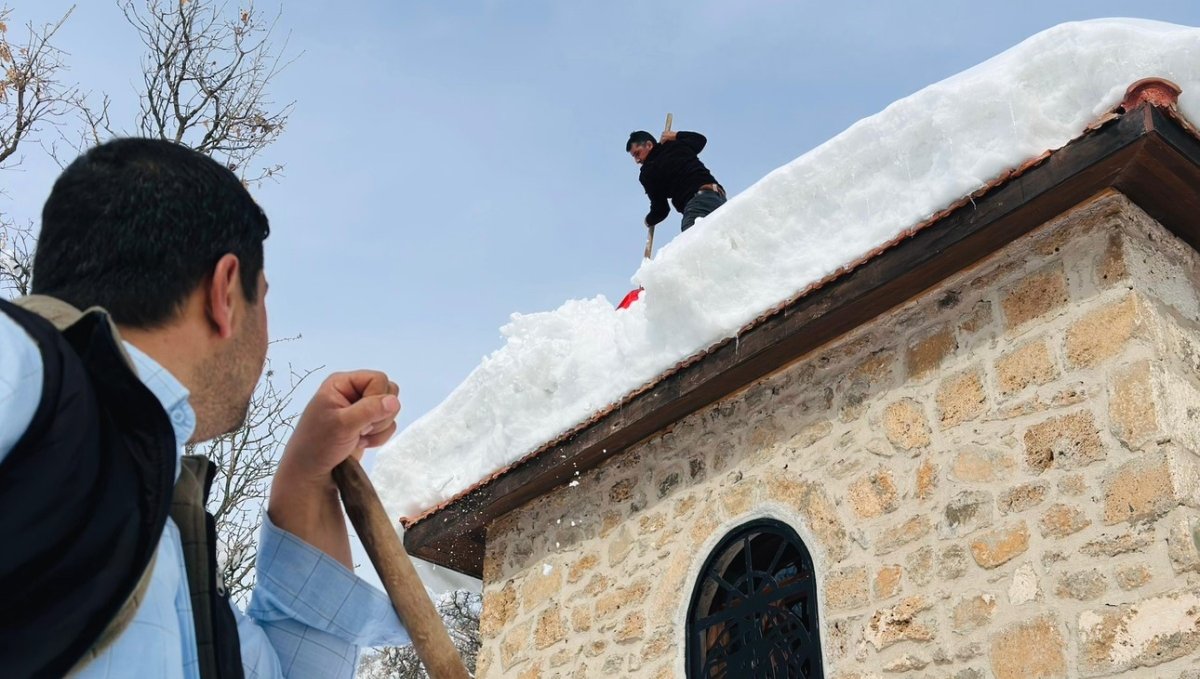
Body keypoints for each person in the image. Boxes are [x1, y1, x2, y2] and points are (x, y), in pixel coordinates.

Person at [0, 138, 410, 678]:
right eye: (261, 296)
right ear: (223, 293)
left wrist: (307, 480)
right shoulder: (27, 373)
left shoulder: (169, 544)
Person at [627, 128, 727, 232]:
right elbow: (700, 140)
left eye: (637, 154)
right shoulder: (675, 145)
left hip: (698, 203)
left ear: (648, 145)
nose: (637, 160)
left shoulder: (648, 172)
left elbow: (661, 210)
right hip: (718, 197)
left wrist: (648, 220)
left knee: (692, 242)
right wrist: (676, 135)